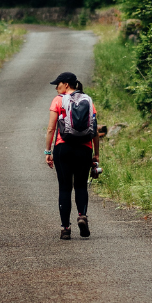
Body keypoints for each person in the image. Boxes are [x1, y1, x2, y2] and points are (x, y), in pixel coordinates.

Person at [45, 71, 100, 240]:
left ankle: (65, 228)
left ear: (66, 84)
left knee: (65, 187)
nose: (56, 87)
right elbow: (95, 130)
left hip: (63, 148)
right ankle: (82, 215)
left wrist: (48, 151)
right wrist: (96, 154)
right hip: (84, 149)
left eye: (58, 84)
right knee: (81, 185)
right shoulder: (87, 100)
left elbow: (51, 129)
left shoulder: (58, 100)